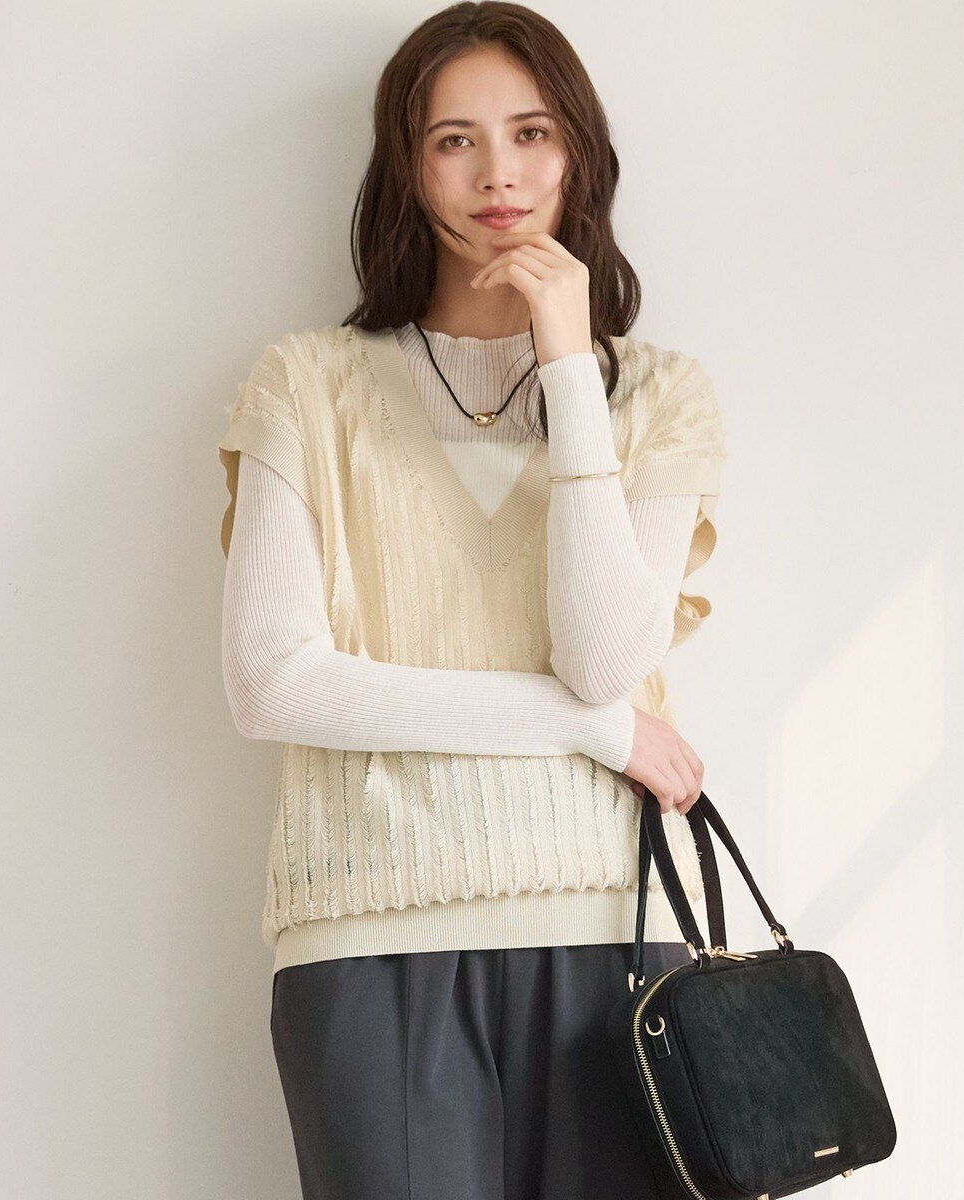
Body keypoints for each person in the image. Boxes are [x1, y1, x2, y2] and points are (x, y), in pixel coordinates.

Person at [217, 4, 727, 1197]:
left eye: (531, 132)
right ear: (406, 165)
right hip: (368, 936)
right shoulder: (307, 386)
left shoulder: (659, 396)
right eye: (455, 139)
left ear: (579, 151)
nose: (498, 173)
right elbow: (271, 683)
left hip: (612, 937)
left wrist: (569, 362)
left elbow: (602, 658)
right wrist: (591, 732)